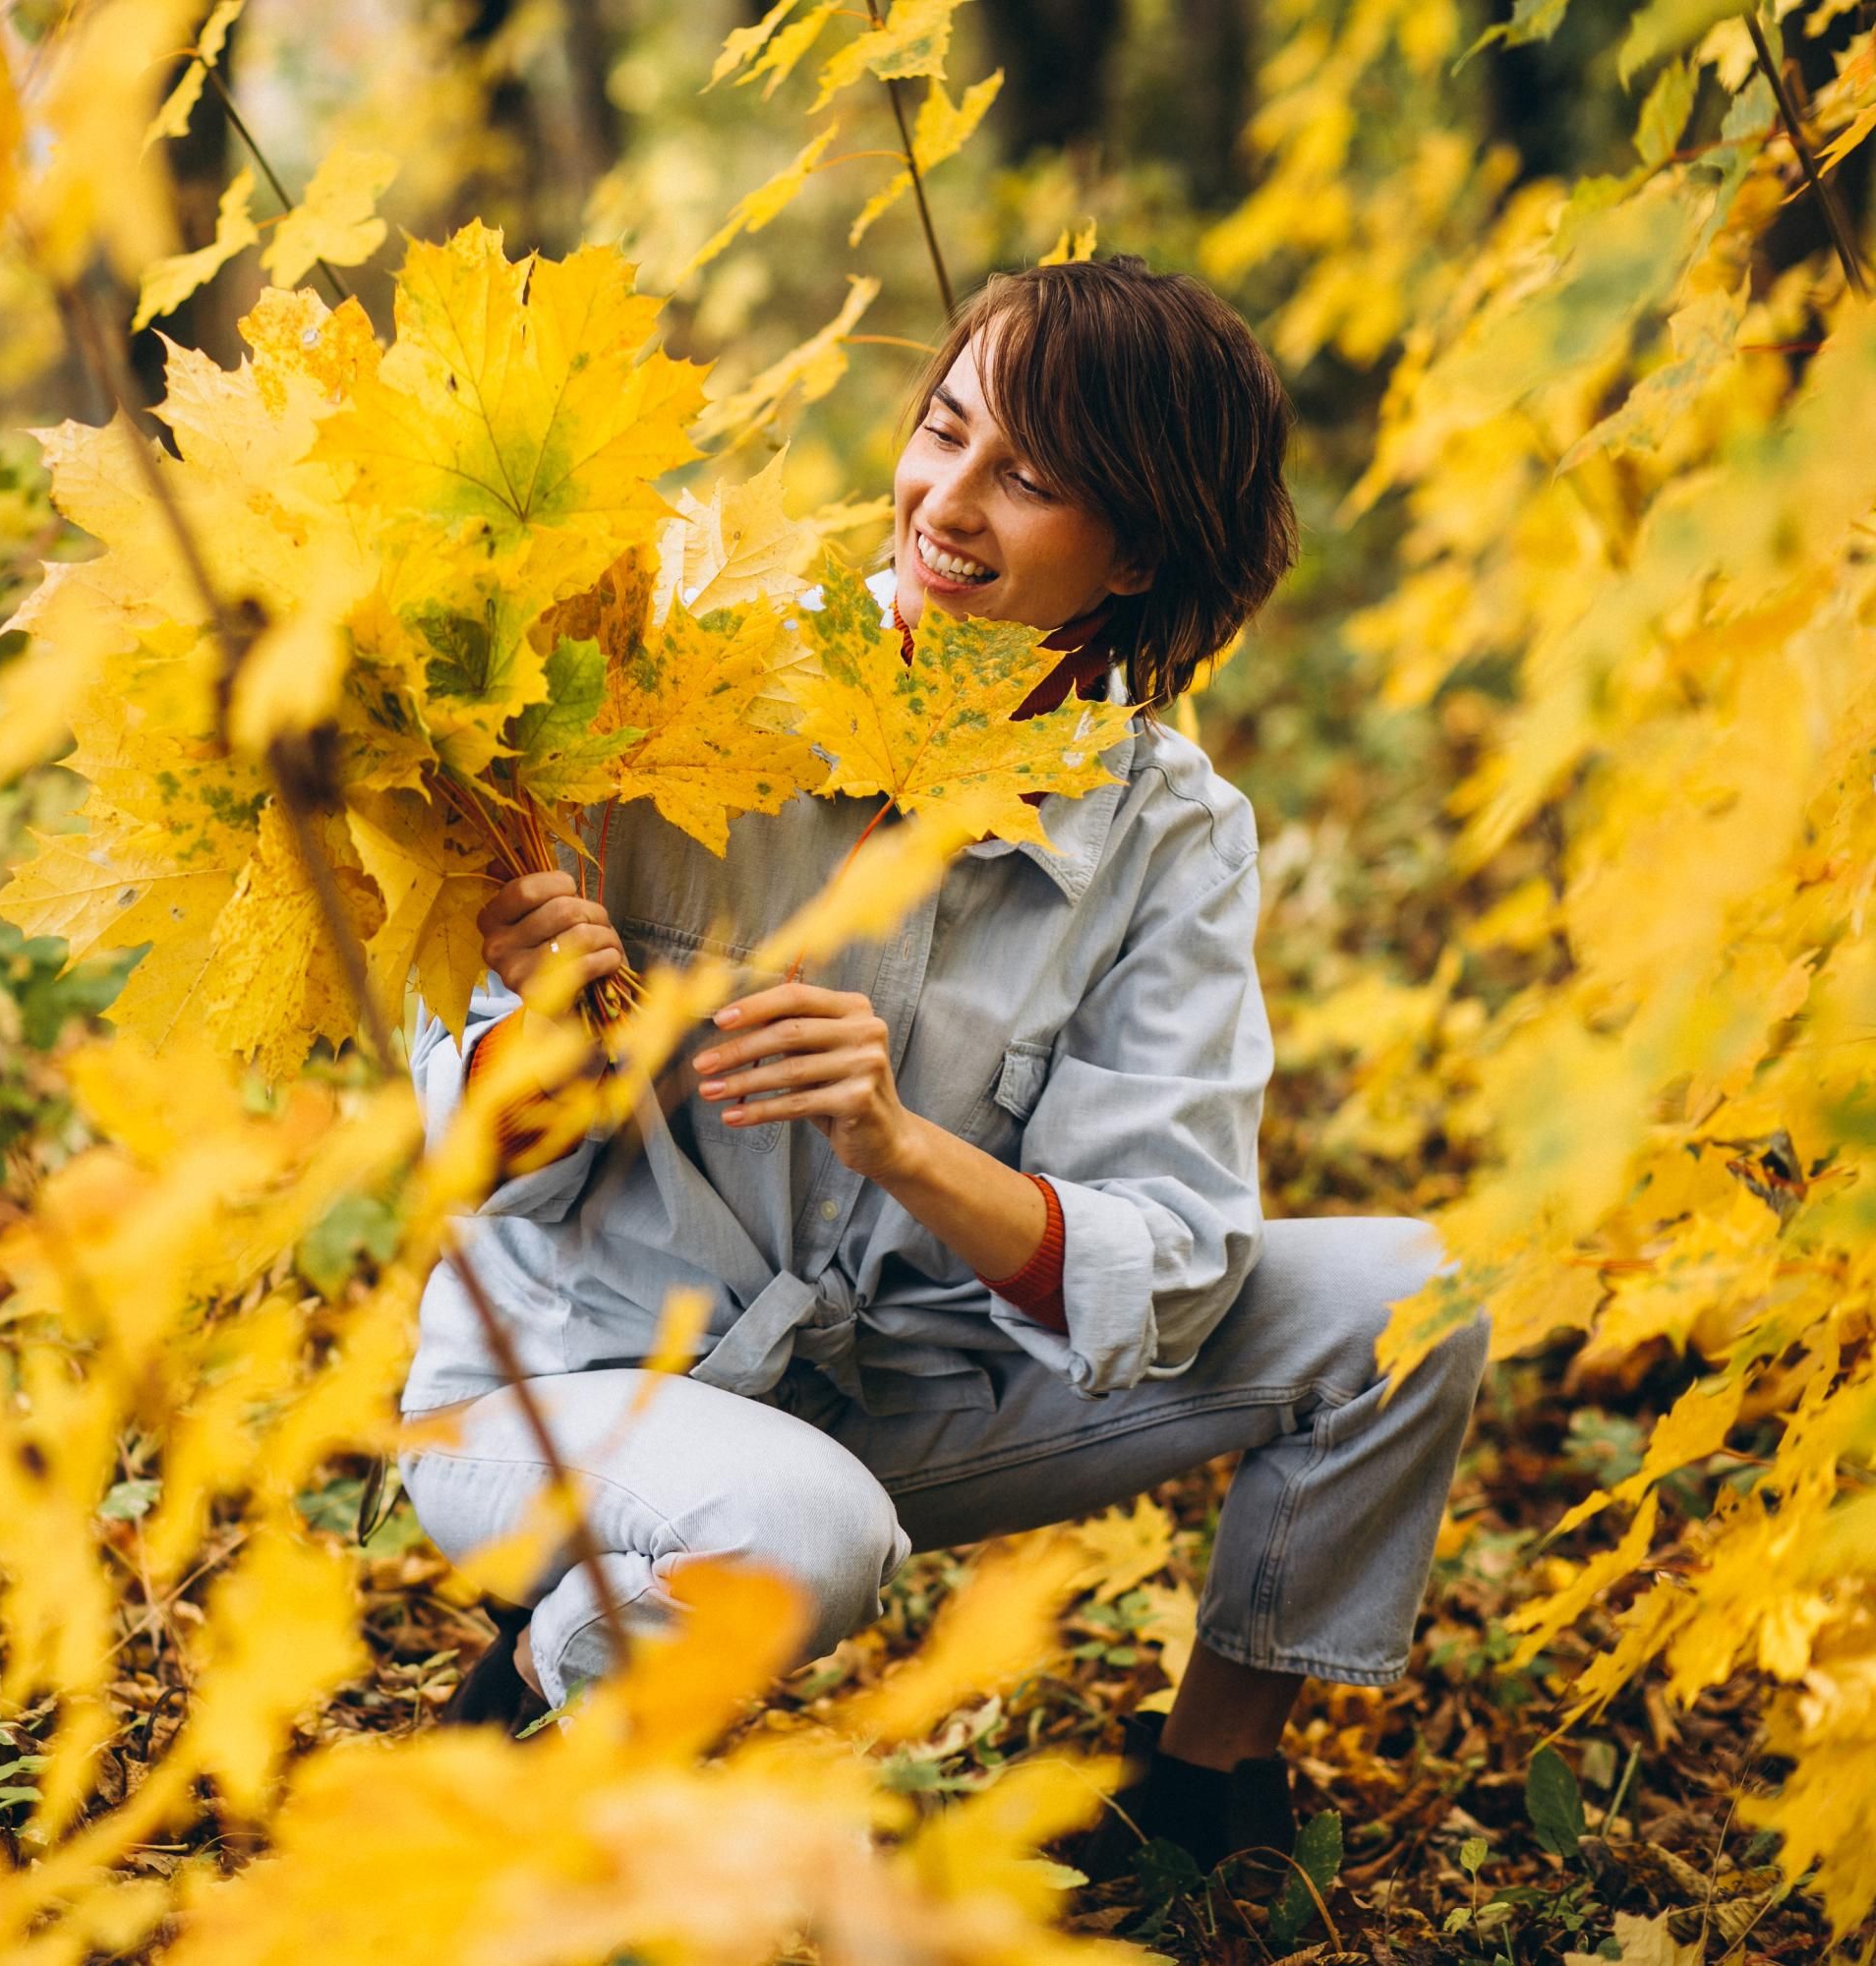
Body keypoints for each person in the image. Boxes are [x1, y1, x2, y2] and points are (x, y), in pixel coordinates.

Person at [393, 255, 1492, 1874]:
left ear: (1143, 550)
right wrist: (552, 1025)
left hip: (899, 1388)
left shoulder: (1170, 834)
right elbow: (473, 1167)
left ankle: (1203, 1800)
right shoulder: (668, 695)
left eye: (1031, 479)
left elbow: (1176, 1259)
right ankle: (542, 1713)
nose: (947, 503)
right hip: (564, 1388)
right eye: (945, 430)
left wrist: (903, 1142)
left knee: (1415, 1300)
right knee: (798, 1530)